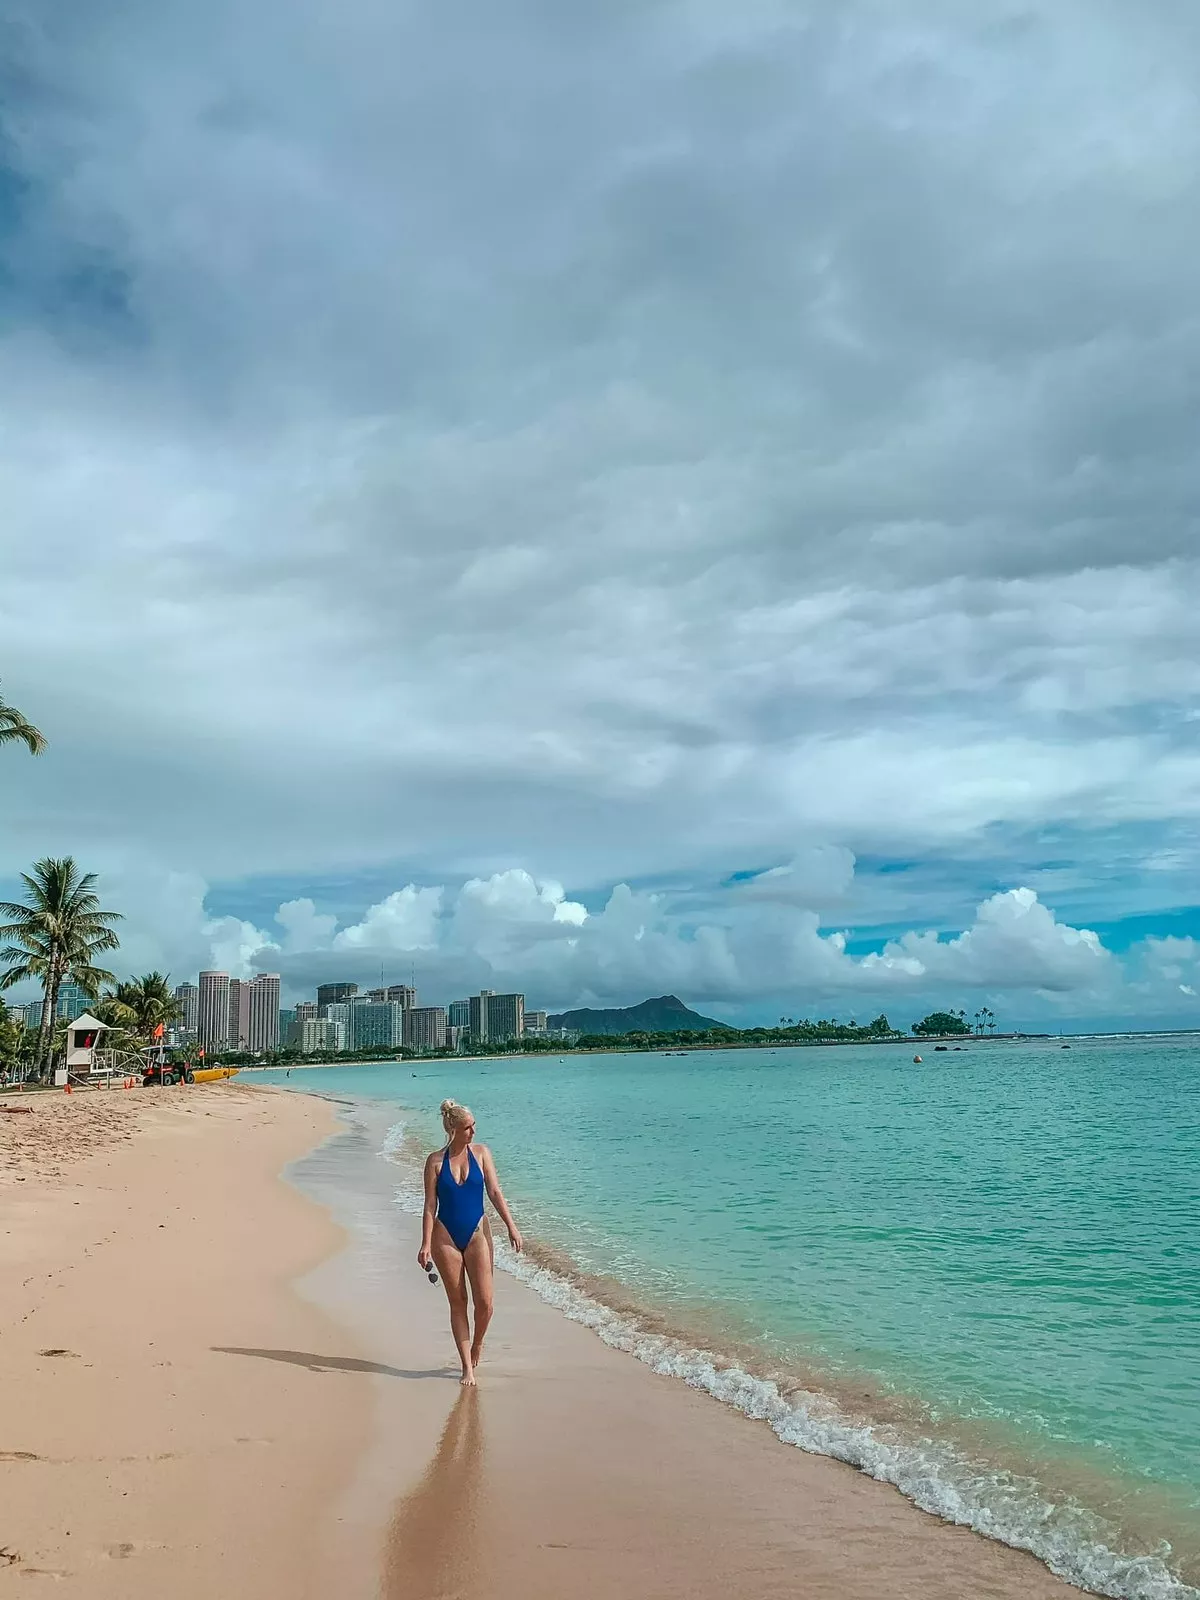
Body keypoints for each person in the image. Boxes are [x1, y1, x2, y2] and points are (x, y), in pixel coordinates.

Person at [418, 1099, 523, 1385]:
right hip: (445, 1236)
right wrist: (425, 1244)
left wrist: (512, 1227)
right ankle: (467, 1366)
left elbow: (495, 1192)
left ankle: (477, 1343)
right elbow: (430, 1205)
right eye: (468, 1127)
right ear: (453, 1129)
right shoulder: (435, 1162)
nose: (473, 1132)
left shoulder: (482, 1153)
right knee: (458, 1302)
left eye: (474, 1126)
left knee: (485, 1303)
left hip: (478, 1231)